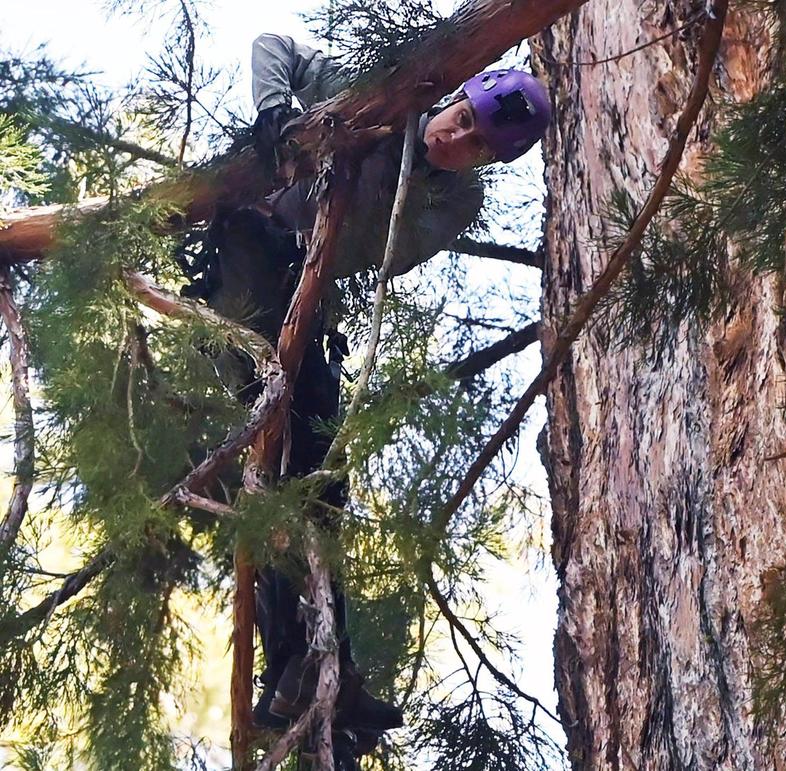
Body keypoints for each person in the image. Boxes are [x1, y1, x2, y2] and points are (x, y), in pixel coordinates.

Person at [202, 33, 552, 767]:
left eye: (476, 143)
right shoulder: (387, 94)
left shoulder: (451, 200)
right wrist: (281, 122)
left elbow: (373, 250)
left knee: (319, 476)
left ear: (487, 159)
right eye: (464, 118)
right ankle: (300, 667)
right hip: (243, 259)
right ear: (456, 97)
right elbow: (271, 48)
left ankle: (319, 666)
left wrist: (354, 180)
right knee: (286, 457)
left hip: (300, 287)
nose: (457, 138)